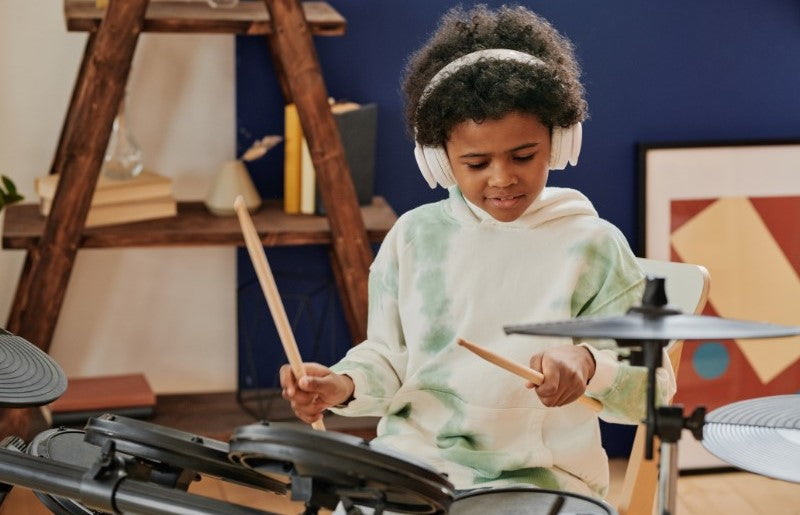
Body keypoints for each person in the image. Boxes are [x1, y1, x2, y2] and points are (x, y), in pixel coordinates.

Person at [280, 4, 675, 499]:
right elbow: (390, 358)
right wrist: (340, 385)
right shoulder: (413, 238)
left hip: (541, 482)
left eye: (523, 156)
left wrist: (590, 363)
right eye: (476, 161)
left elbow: (654, 388)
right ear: (438, 159)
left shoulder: (592, 245)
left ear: (558, 140)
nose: (502, 177)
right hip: (413, 469)